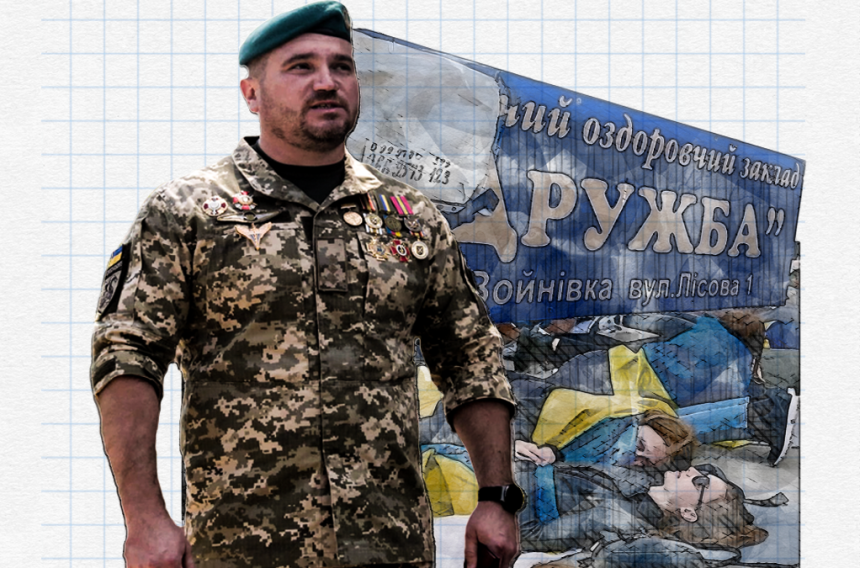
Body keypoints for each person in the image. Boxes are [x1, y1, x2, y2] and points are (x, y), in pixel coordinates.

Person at [90, 3, 519, 568]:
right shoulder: (187, 212)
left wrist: (497, 497)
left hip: (389, 548)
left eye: (342, 66)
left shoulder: (411, 217)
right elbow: (127, 355)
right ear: (251, 93)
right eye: (301, 67)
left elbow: (469, 356)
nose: (326, 82)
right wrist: (144, 519)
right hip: (240, 549)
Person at [518, 462, 767, 554]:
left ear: (688, 512)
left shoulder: (617, 518)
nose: (693, 470)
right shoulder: (650, 483)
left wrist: (519, 471)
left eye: (700, 481)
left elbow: (527, 535)